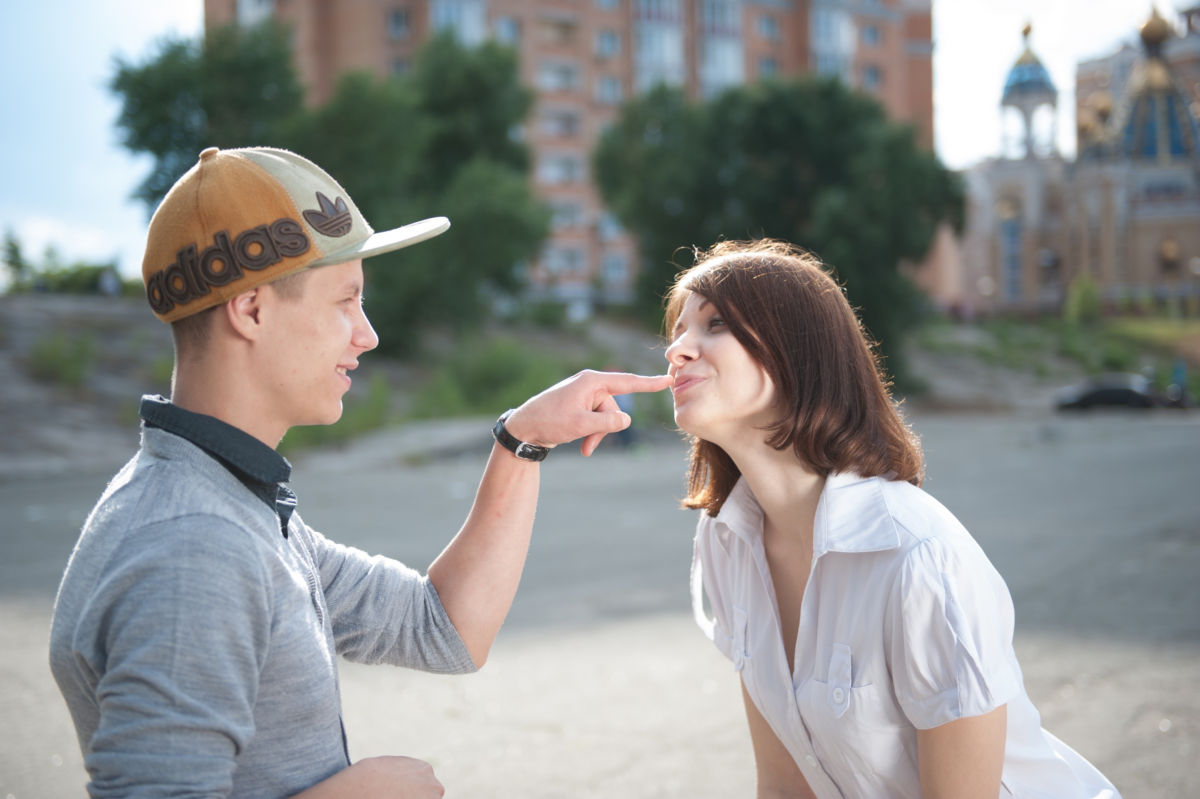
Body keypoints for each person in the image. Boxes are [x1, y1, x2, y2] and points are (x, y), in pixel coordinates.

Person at [48, 146, 671, 798]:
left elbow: (445, 627)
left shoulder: (231, 503)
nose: (367, 334)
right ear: (252, 309)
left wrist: (522, 439)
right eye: (347, 300)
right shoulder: (194, 545)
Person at [665, 240, 1121, 798]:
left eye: (714, 324)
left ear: (798, 351)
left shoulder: (920, 556)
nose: (678, 350)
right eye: (677, 332)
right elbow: (786, 784)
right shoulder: (726, 541)